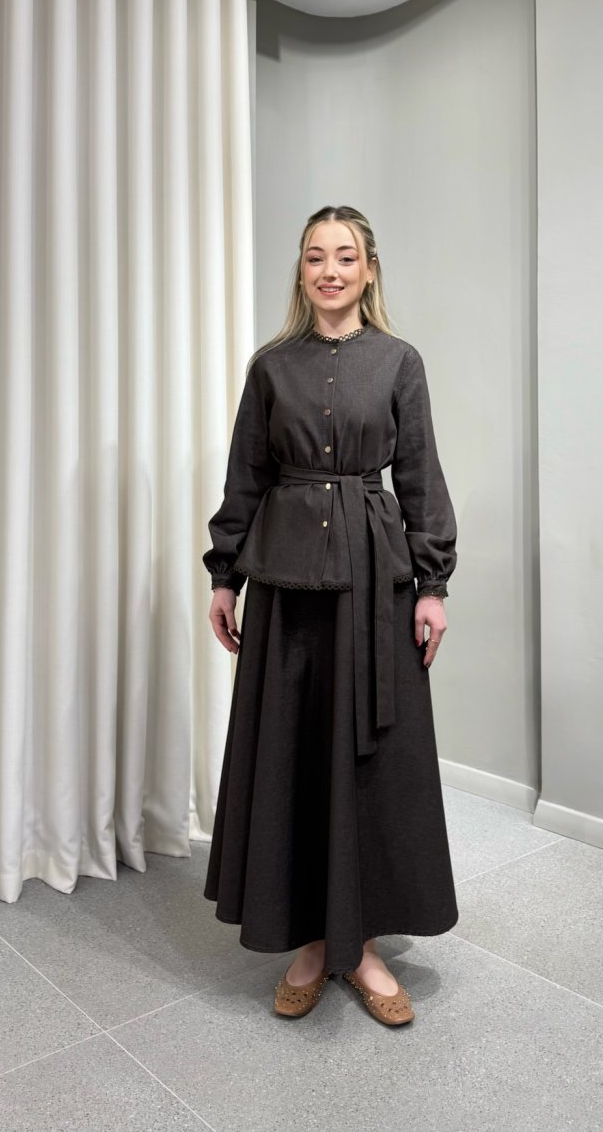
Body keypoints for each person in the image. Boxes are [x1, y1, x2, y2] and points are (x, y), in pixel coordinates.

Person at [202, 204, 458, 1026]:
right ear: (302, 270)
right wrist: (224, 577)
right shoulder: (271, 367)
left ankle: (362, 942)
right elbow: (246, 475)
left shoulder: (399, 362)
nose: (330, 270)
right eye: (316, 256)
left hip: (374, 585)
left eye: (345, 256)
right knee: (297, 756)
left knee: (369, 761)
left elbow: (419, 475)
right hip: (285, 585)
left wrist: (431, 584)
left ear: (369, 269)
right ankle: (313, 942)